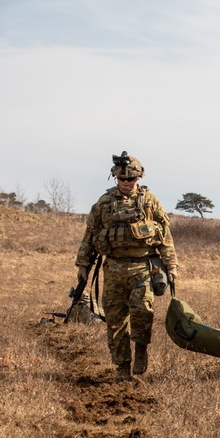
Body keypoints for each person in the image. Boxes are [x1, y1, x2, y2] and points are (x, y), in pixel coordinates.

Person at [75, 151, 178, 381]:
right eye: (122, 179)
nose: (126, 183)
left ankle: (140, 348)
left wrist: (171, 265)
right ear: (115, 178)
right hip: (113, 268)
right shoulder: (103, 204)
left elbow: (165, 236)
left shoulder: (150, 202)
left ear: (138, 178)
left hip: (142, 267)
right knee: (115, 319)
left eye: (130, 179)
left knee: (143, 311)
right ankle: (122, 366)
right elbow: (90, 234)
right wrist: (82, 263)